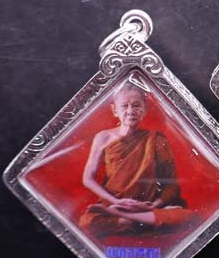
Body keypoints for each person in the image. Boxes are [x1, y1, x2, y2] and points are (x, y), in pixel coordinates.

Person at [79, 82, 196, 237]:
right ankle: (140, 220)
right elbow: (87, 178)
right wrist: (116, 202)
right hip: (114, 203)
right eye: (124, 106)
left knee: (189, 217)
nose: (130, 111)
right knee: (87, 222)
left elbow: (171, 185)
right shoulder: (103, 137)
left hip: (147, 206)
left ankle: (128, 218)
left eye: (136, 106)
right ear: (114, 110)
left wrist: (153, 206)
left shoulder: (155, 139)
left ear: (144, 110)